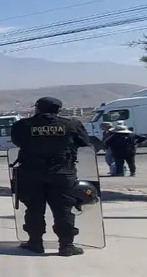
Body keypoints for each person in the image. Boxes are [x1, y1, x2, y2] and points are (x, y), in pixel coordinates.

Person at [11, 96, 91, 256]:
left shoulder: (23, 125)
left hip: (32, 174)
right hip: (62, 174)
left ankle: (35, 243)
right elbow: (84, 142)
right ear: (58, 110)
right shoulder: (71, 124)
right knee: (64, 209)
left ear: (38, 108)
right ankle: (66, 246)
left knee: (34, 209)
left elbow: (17, 142)